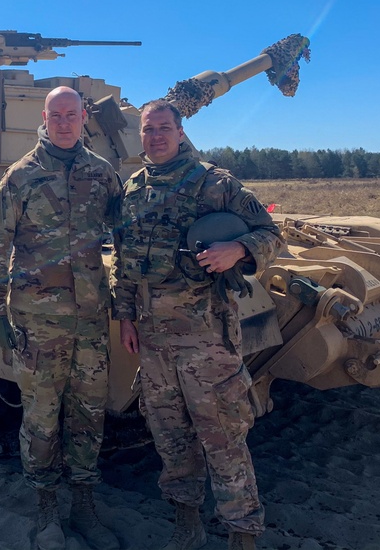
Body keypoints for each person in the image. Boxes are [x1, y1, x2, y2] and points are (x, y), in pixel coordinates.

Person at [112, 99, 283, 550]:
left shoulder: (214, 182)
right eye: (149, 130)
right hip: (152, 341)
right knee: (169, 437)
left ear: (181, 131)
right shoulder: (132, 190)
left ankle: (242, 535)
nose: (157, 136)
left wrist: (240, 250)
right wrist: (125, 316)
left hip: (206, 339)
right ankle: (187, 524)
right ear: (141, 135)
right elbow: (126, 265)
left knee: (223, 436)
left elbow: (271, 234)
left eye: (165, 128)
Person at [0, 86, 123, 550]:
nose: (64, 122)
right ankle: (46, 513)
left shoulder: (102, 175)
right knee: (41, 418)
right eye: (56, 115)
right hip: (38, 322)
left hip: (90, 320)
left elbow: (126, 238)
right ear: (45, 117)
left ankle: (83, 505)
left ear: (84, 119)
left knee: (89, 413)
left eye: (72, 115)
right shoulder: (20, 177)